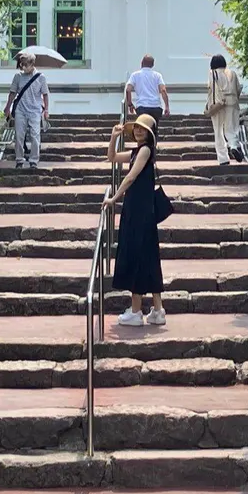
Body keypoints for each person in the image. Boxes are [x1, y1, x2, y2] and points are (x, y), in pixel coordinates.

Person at [104, 114, 165, 326]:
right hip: (138, 209)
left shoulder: (146, 151)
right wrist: (113, 137)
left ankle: (136, 310)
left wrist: (114, 198)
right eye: (136, 128)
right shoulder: (135, 152)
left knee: (137, 254)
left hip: (139, 210)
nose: (138, 131)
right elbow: (111, 157)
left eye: (143, 129)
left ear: (150, 134)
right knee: (148, 256)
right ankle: (157, 310)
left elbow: (130, 177)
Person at [4, 51, 49, 169]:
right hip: (20, 110)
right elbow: (12, 93)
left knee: (35, 135)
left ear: (32, 64)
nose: (23, 67)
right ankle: (19, 159)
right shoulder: (18, 77)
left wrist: (46, 110)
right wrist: (8, 107)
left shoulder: (41, 77)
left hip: (35, 110)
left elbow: (45, 94)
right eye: (21, 65)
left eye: (25, 65)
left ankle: (34, 160)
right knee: (19, 135)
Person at [205, 54, 244, 165]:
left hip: (218, 104)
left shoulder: (213, 73)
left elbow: (212, 89)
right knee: (230, 129)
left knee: (218, 131)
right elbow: (238, 89)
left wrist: (211, 105)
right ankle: (233, 146)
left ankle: (223, 159)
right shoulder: (232, 73)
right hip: (232, 103)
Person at [125, 55, 169, 133]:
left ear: (142, 63)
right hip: (156, 106)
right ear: (152, 65)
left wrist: (130, 104)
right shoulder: (157, 75)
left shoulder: (135, 75)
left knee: (143, 129)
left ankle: (144, 144)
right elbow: (163, 90)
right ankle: (153, 143)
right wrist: (167, 106)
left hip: (142, 106)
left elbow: (128, 90)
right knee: (154, 129)